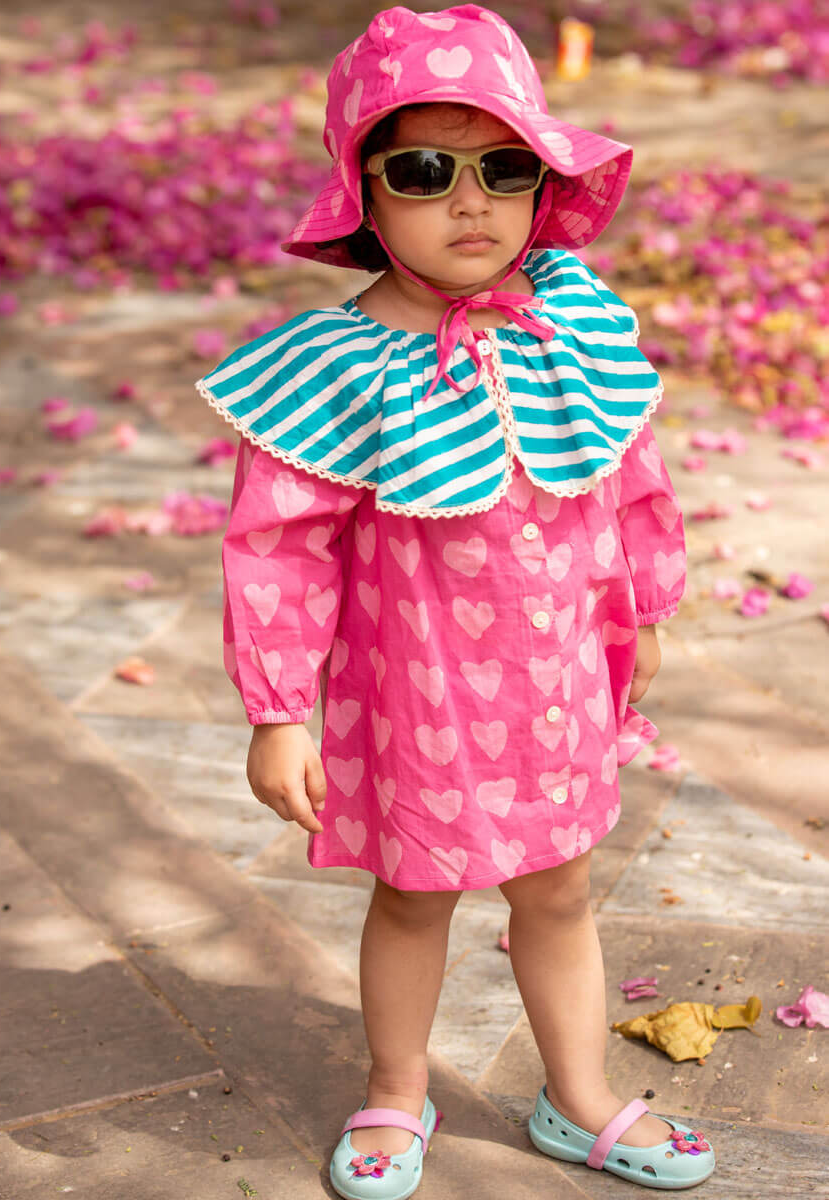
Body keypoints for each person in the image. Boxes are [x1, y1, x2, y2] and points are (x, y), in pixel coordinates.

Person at [195, 5, 714, 1195]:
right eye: (426, 172)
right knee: (415, 894)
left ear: (544, 181)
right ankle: (397, 1085)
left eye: (504, 169)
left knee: (562, 889)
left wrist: (646, 606)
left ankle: (577, 1094)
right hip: (415, 693)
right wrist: (277, 711)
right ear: (366, 195)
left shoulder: (568, 319)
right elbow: (278, 549)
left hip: (557, 684)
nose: (470, 202)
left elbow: (627, 469)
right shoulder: (334, 365)